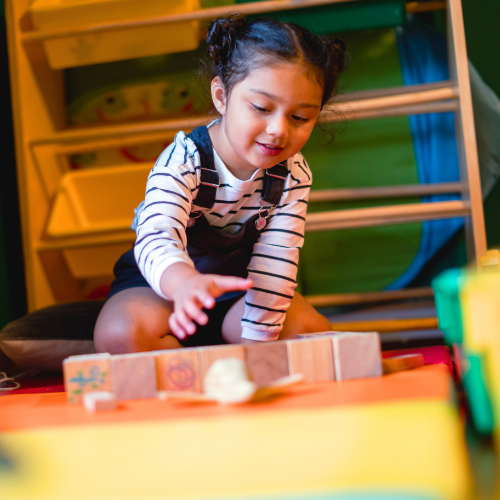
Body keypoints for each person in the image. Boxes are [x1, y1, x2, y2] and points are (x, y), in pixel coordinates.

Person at [94, 15, 346, 354]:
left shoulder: (293, 174)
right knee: (119, 336)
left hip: (239, 293)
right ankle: (195, 361)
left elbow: (276, 262)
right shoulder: (183, 161)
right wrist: (183, 284)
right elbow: (156, 234)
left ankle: (223, 356)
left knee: (310, 332)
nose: (278, 130)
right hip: (163, 289)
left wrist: (257, 345)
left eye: (300, 117)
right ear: (222, 96)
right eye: (261, 108)